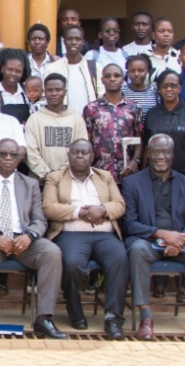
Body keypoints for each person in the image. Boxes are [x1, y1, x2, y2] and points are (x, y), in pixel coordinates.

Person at [0, 138, 66, 339]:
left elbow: (39, 220)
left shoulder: (31, 184)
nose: (8, 158)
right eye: (3, 154)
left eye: (13, 155)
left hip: (23, 241)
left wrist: (29, 236)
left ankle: (44, 319)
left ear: (19, 158)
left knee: (51, 252)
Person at [124, 134, 185, 341]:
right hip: (149, 244)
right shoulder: (132, 183)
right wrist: (162, 235)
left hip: (180, 246)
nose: (162, 157)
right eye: (157, 152)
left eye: (166, 152)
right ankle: (146, 318)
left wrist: (181, 240)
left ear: (172, 155)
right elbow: (130, 224)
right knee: (136, 249)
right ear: (149, 154)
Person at [42, 140, 128, 339]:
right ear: (68, 155)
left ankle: (113, 318)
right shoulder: (55, 178)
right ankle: (75, 310)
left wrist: (102, 210)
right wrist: (78, 211)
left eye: (84, 153)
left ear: (92, 156)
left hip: (105, 234)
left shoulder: (105, 176)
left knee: (120, 259)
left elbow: (120, 205)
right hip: (72, 234)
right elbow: (48, 207)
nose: (80, 156)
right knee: (71, 263)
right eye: (76, 153)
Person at [82, 63, 144, 186]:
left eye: (116, 75)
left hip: (127, 173)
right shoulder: (91, 108)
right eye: (108, 76)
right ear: (102, 80)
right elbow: (87, 141)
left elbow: (139, 139)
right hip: (99, 173)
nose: (112, 79)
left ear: (123, 79)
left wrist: (135, 161)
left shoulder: (134, 108)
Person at [24, 74, 89, 181]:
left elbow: (81, 150)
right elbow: (31, 152)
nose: (54, 93)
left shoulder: (76, 118)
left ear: (65, 92)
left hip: (70, 180)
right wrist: (46, 173)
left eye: (58, 89)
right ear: (44, 92)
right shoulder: (34, 119)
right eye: (50, 90)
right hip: (41, 181)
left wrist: (64, 173)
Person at [143, 70, 185, 180]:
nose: (169, 89)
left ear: (180, 88)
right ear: (159, 89)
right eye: (165, 86)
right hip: (156, 176)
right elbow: (146, 148)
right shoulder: (151, 114)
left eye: (173, 85)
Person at [46, 25, 104, 115]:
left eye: (78, 39)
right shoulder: (52, 69)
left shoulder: (95, 67)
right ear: (64, 42)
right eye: (70, 39)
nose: (74, 42)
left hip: (89, 122)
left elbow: (101, 96)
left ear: (83, 42)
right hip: (62, 121)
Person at [0, 48, 32, 123]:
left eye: (18, 71)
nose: (13, 74)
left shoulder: (28, 92)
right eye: (10, 69)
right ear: (2, 69)